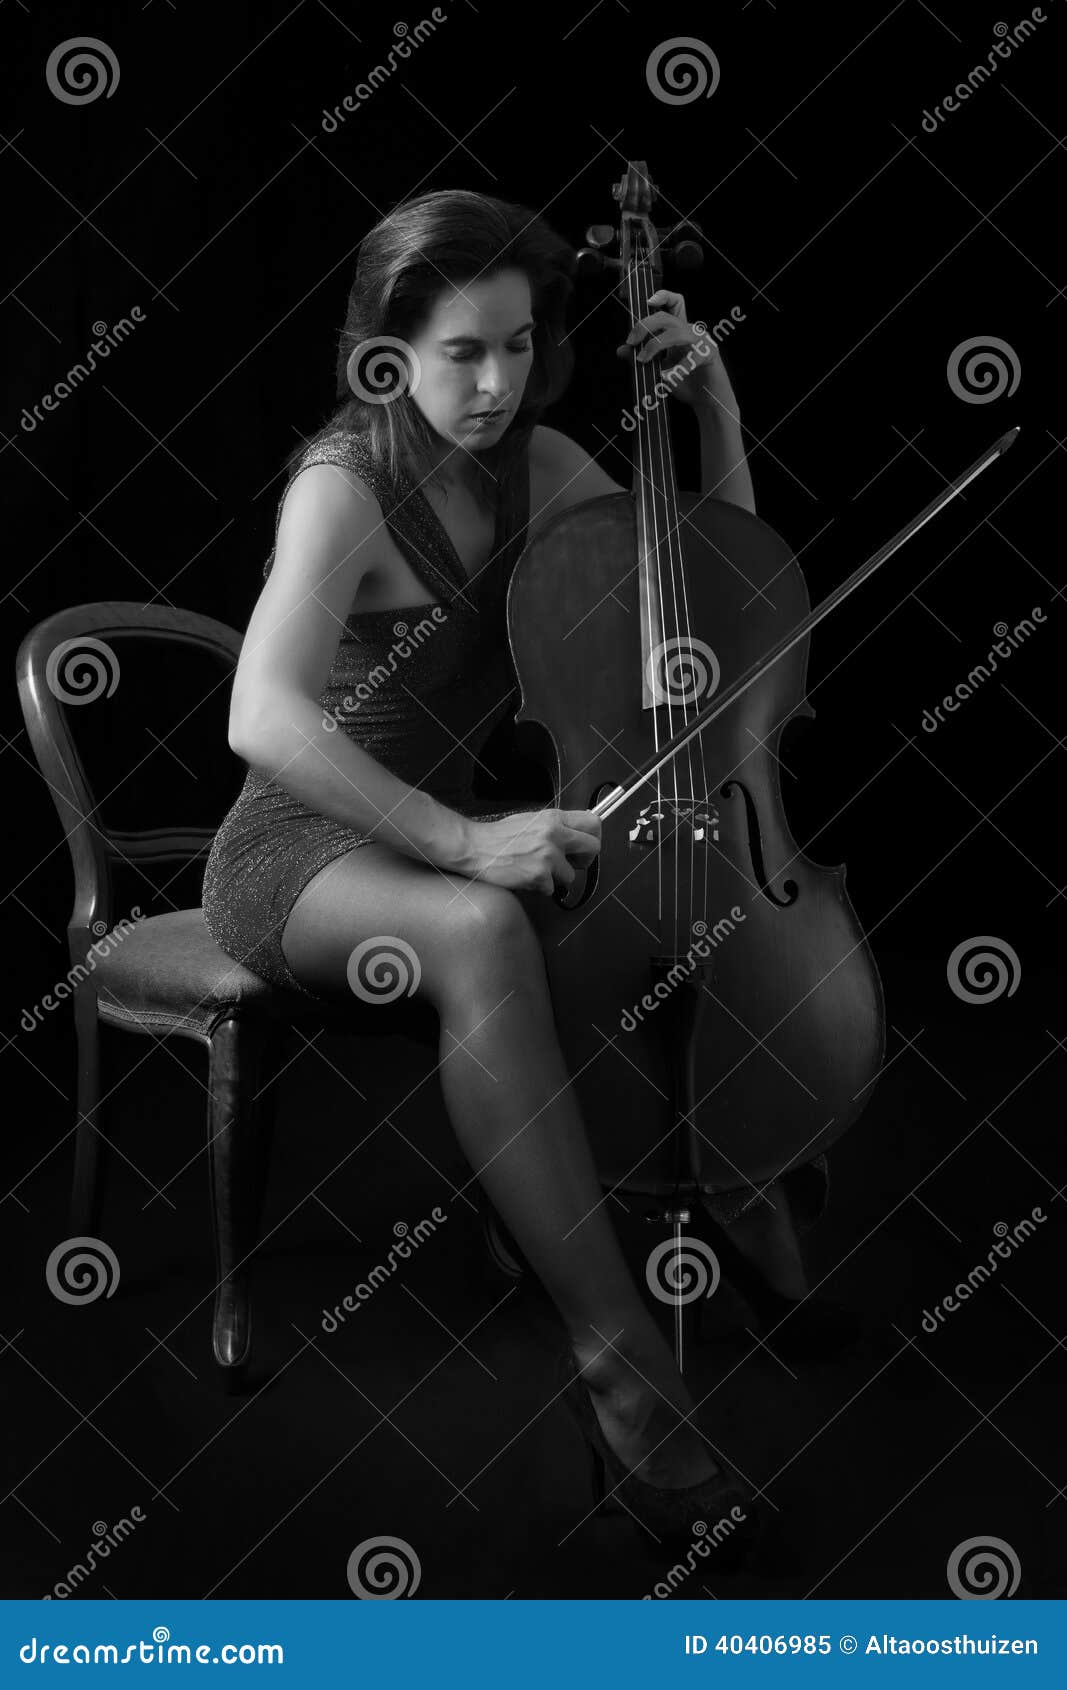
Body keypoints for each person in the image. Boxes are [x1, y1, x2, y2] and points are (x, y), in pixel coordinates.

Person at [202, 187, 831, 1554]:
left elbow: (716, 595)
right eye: (457, 354)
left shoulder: (543, 468)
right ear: (387, 353)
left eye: (516, 346)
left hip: (441, 836)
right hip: (301, 853)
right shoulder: (343, 485)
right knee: (488, 927)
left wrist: (716, 411)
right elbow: (260, 715)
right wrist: (466, 839)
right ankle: (631, 1388)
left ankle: (712, 1173)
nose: (493, 385)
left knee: (654, 891)